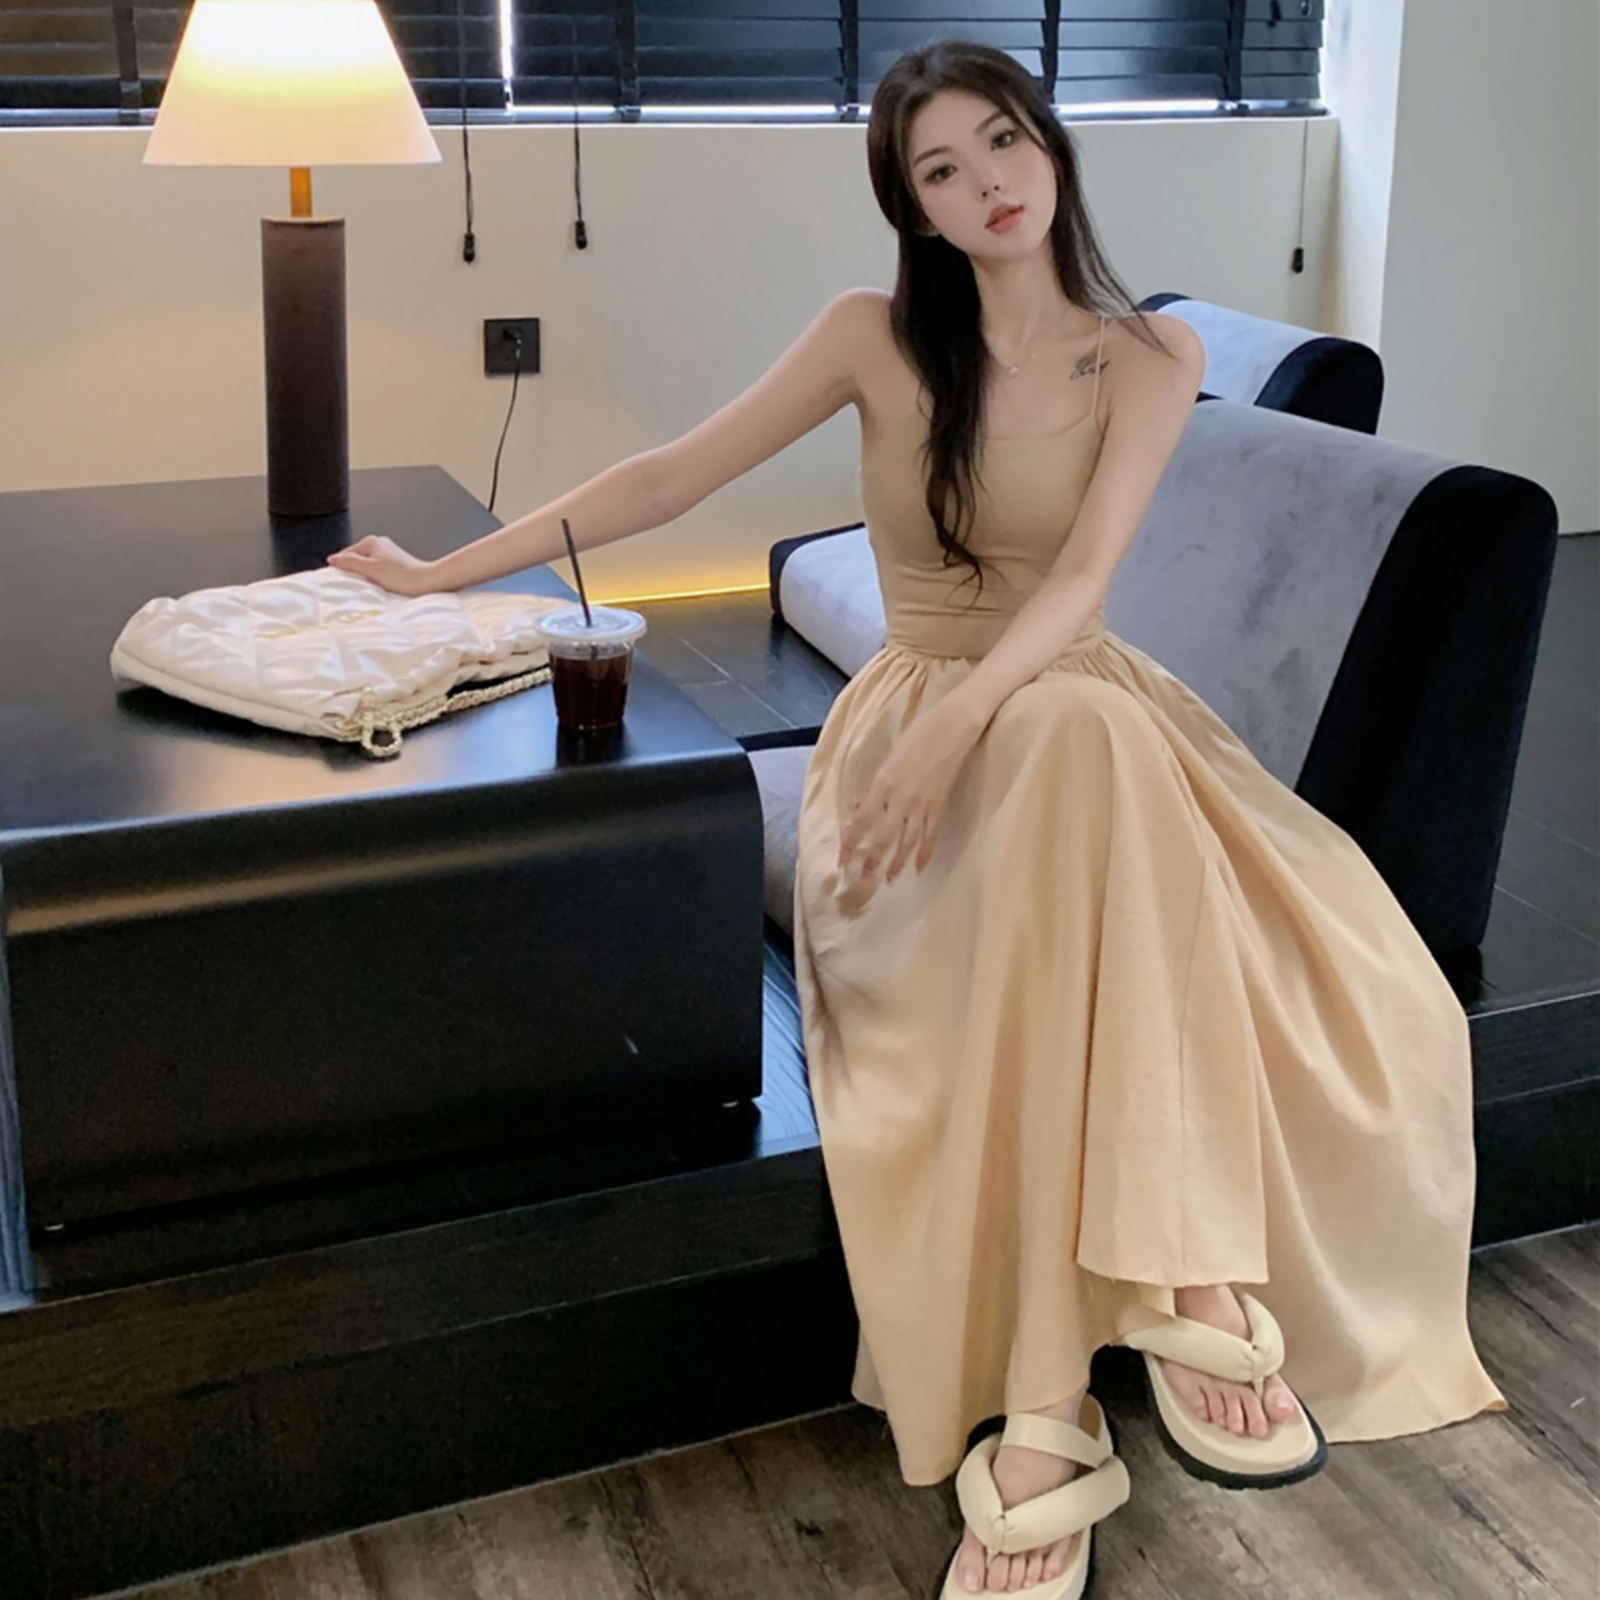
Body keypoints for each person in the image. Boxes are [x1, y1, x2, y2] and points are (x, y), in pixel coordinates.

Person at [331, 38, 1509, 1600]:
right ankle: (1180, 1279)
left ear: (1053, 148)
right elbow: (666, 479)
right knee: (1071, 773)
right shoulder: (872, 338)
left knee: (1078, 730)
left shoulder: (1147, 357)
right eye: (940, 170)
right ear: (918, 211)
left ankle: (1048, 1406)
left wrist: (965, 722)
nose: (985, 183)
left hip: (1065, 717)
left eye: (1003, 141)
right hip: (914, 741)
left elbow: (1081, 582)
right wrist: (436, 576)